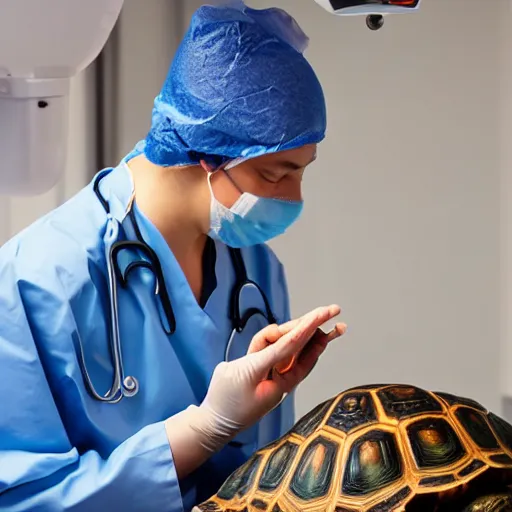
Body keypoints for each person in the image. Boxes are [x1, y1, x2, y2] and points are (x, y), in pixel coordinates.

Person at [0, 2, 346, 511]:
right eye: (275, 174)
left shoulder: (257, 272)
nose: (292, 197)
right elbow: (21, 499)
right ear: (204, 150)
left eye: (302, 171)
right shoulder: (36, 279)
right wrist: (201, 431)